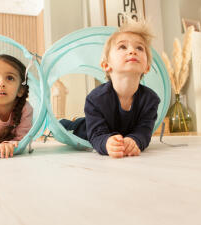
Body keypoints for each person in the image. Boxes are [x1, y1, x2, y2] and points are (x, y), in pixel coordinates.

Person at [60, 19, 160, 158]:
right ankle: (68, 122)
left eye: (139, 48)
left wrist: (134, 140)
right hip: (86, 128)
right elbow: (96, 134)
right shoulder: (95, 99)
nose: (132, 51)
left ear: (147, 67)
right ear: (106, 65)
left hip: (118, 130)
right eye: (123, 47)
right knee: (71, 126)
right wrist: (106, 143)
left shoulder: (151, 100)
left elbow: (144, 131)